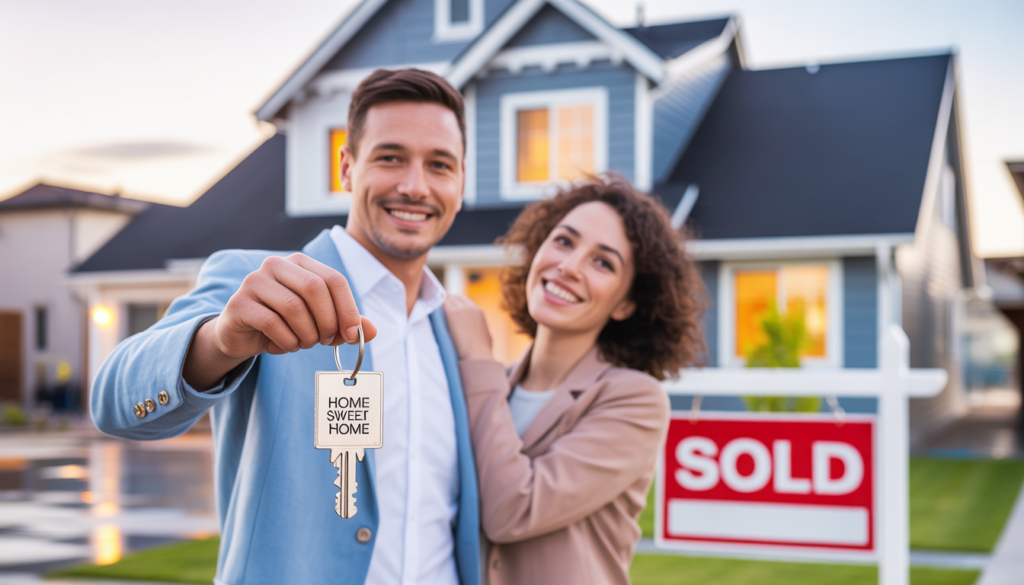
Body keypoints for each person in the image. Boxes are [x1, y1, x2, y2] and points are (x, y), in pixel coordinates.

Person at [90, 69, 481, 585]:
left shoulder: (455, 328)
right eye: (390, 157)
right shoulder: (260, 286)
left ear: (460, 181)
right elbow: (114, 401)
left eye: (439, 165)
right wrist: (219, 339)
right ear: (346, 166)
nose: (415, 185)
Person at [443, 175, 705, 585]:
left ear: (625, 303)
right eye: (564, 241)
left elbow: (511, 510)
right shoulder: (498, 387)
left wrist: (478, 356)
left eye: (603, 262)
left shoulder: (635, 401)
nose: (568, 267)